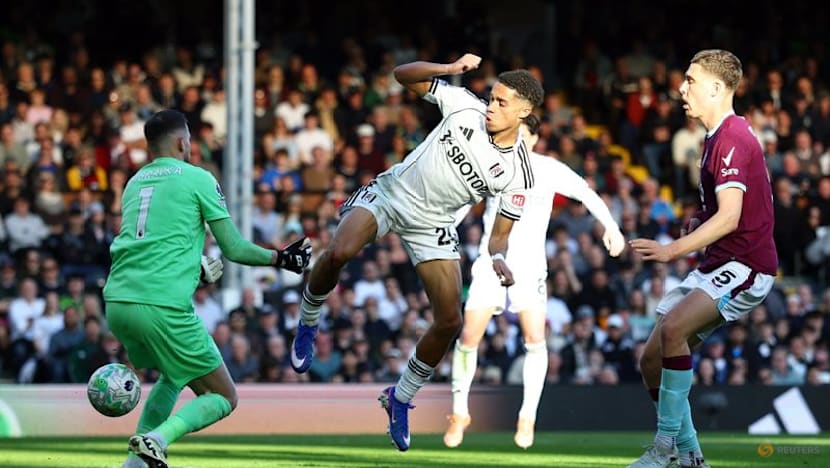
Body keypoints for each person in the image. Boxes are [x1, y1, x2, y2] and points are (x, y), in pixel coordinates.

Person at [290, 53, 544, 451]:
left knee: (450, 320)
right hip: (392, 194)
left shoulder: (518, 174)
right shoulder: (465, 106)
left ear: (524, 112)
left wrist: (497, 257)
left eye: (501, 102)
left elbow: (499, 235)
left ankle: (401, 396)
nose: (491, 107)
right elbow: (401, 75)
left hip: (434, 226)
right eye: (492, 97)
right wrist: (449, 70)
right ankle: (308, 320)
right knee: (339, 251)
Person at [103, 109, 311, 468]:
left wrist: (194, 266)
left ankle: (134, 465)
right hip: (162, 306)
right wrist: (281, 258)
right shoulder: (198, 177)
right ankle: (157, 439)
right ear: (181, 143)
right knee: (224, 395)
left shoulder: (135, 183)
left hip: (118, 302)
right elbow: (234, 248)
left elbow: (148, 244)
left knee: (173, 375)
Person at [628, 50, 778, 468]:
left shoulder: (731, 138)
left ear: (715, 88)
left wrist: (671, 251)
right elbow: (724, 209)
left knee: (674, 328)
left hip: (747, 264)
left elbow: (730, 218)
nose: (682, 88)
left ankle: (665, 448)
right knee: (651, 361)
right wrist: (699, 216)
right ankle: (691, 455)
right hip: (721, 262)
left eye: (691, 80)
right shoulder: (718, 137)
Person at [445, 114, 625, 449]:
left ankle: (527, 416)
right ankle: (459, 413)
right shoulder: (492, 164)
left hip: (529, 266)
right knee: (468, 336)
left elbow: (586, 194)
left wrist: (612, 227)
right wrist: (443, 228)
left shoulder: (548, 169)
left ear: (534, 138)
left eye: (522, 135)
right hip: (491, 259)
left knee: (534, 338)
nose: (516, 140)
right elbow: (464, 203)